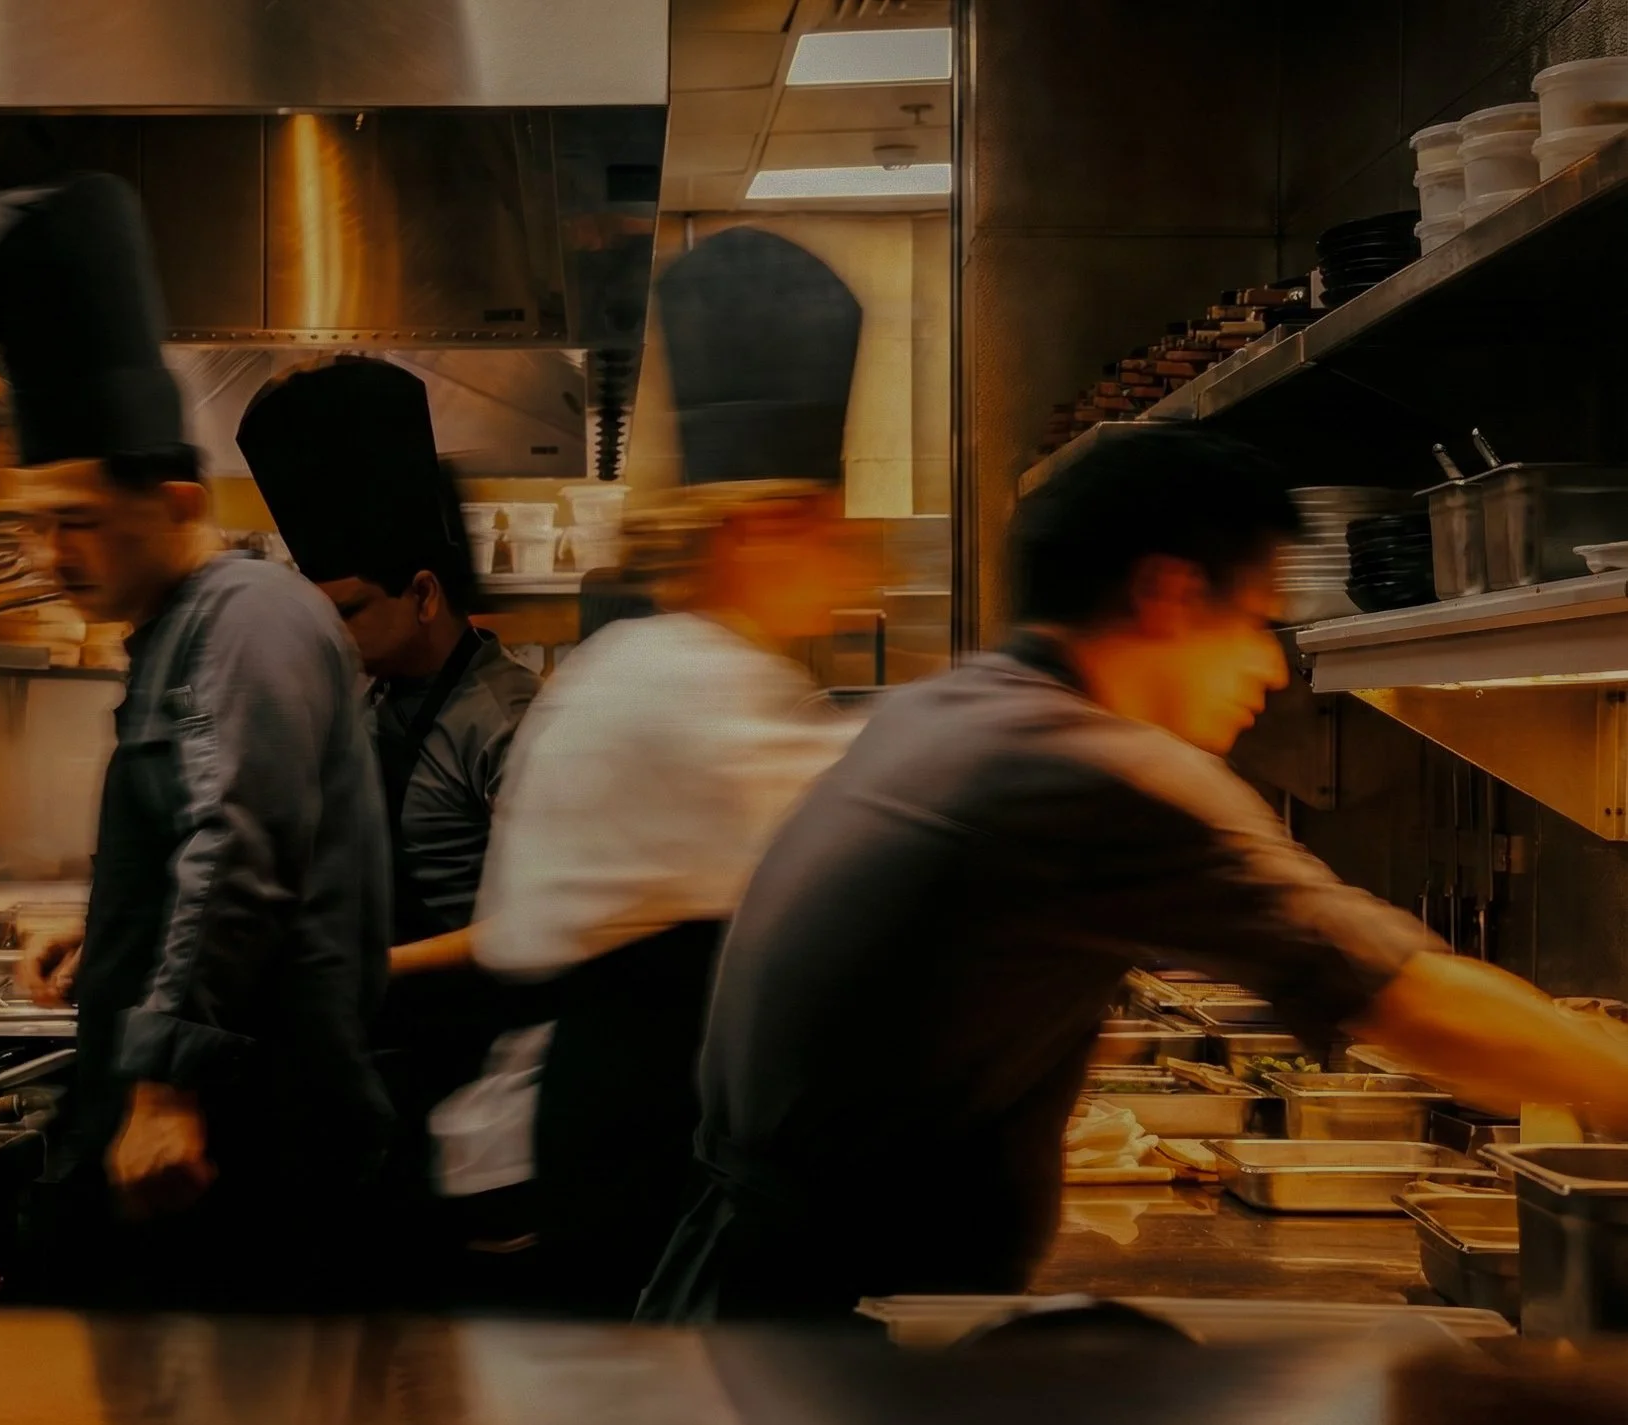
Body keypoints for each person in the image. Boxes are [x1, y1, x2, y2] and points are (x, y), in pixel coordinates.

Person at [644, 425, 1628, 1323]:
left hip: (764, 1283)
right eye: (1256, 620)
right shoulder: (1095, 762)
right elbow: (1406, 1000)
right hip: (826, 1323)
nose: (1272, 668)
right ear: (1168, 594)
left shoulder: (954, 707)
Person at [0, 174, 396, 1312]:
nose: (51, 553)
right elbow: (189, 846)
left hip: (251, 1156)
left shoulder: (250, 616)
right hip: (199, 1152)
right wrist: (104, 933)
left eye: (77, 520)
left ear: (171, 498)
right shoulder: (169, 631)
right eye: (35, 522)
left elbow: (239, 847)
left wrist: (167, 1086)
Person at [470, 227, 877, 1318]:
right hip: (645, 1156)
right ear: (752, 531)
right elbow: (882, 861)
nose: (845, 556)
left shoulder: (645, 663)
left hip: (629, 1132)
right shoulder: (690, 686)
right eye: (822, 526)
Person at [235, 357, 540, 1204]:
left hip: (461, 1086)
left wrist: (369, 968)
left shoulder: (508, 721)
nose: (327, 636)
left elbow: (532, 925)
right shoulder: (360, 696)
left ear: (425, 593)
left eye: (348, 612)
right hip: (357, 1076)